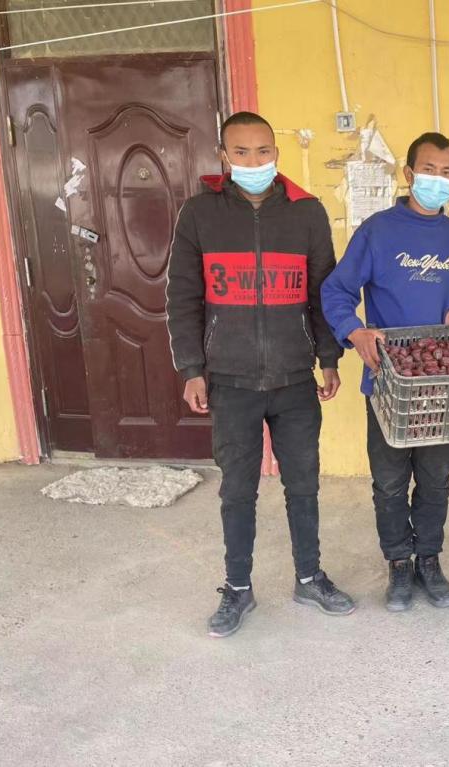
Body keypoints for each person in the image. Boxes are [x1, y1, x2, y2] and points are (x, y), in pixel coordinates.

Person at [167, 111, 355, 638]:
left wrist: (328, 358)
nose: (255, 161)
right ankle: (238, 588)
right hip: (230, 380)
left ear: (277, 153)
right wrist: (191, 368)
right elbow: (183, 297)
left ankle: (309, 577)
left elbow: (323, 292)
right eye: (242, 152)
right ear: (224, 157)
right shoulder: (199, 214)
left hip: (295, 379)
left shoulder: (306, 212)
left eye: (264, 151)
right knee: (237, 491)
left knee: (304, 485)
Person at [321, 132, 449, 612]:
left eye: (448, 172)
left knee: (436, 478)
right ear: (409, 174)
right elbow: (336, 291)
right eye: (429, 170)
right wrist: (355, 332)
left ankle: (428, 559)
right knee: (389, 481)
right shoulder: (377, 232)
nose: (438, 179)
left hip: (443, 384)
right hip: (389, 382)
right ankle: (397, 562)